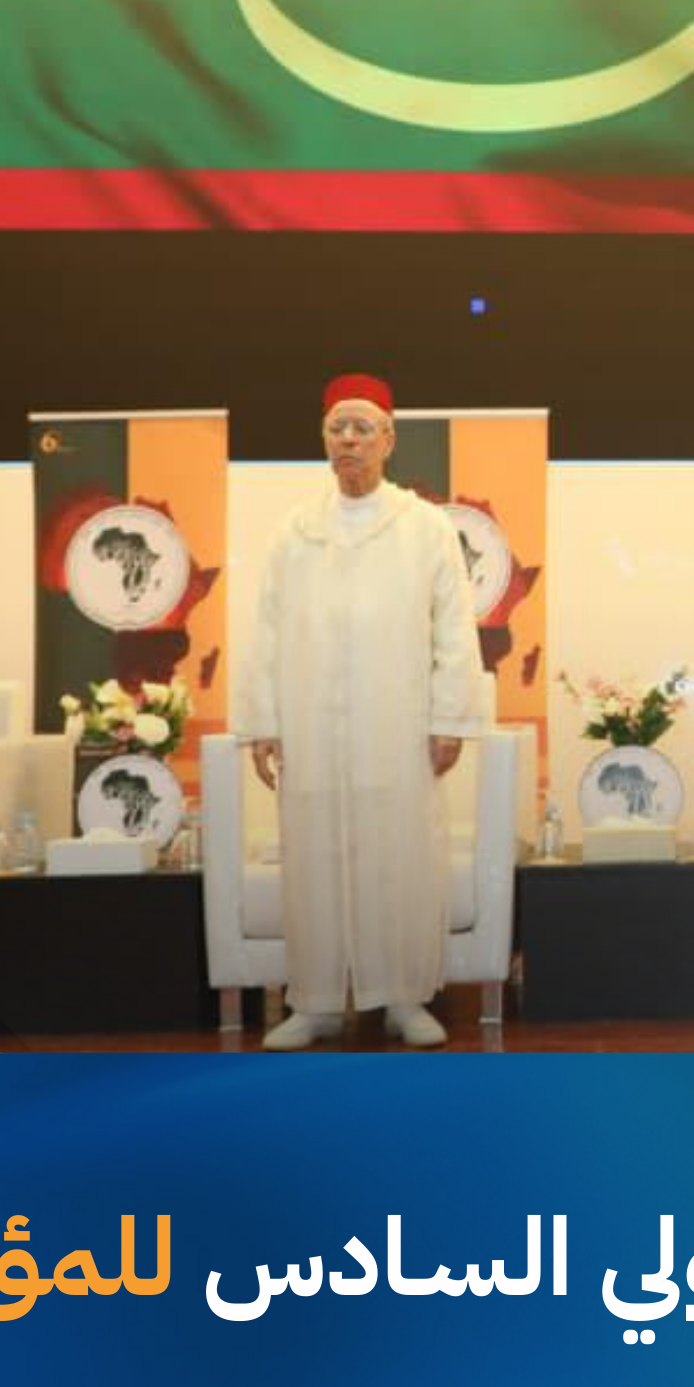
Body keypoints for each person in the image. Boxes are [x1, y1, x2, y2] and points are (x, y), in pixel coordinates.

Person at [239, 374, 482, 1050]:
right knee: (312, 859)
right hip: (311, 726)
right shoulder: (295, 531)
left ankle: (404, 998)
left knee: (400, 855)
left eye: (362, 429)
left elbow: (454, 628)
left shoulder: (424, 526)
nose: (349, 441)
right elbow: (266, 630)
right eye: (337, 429)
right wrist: (264, 723)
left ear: (388, 439)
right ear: (324, 439)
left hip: (397, 725)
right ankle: (315, 1003)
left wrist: (450, 720)